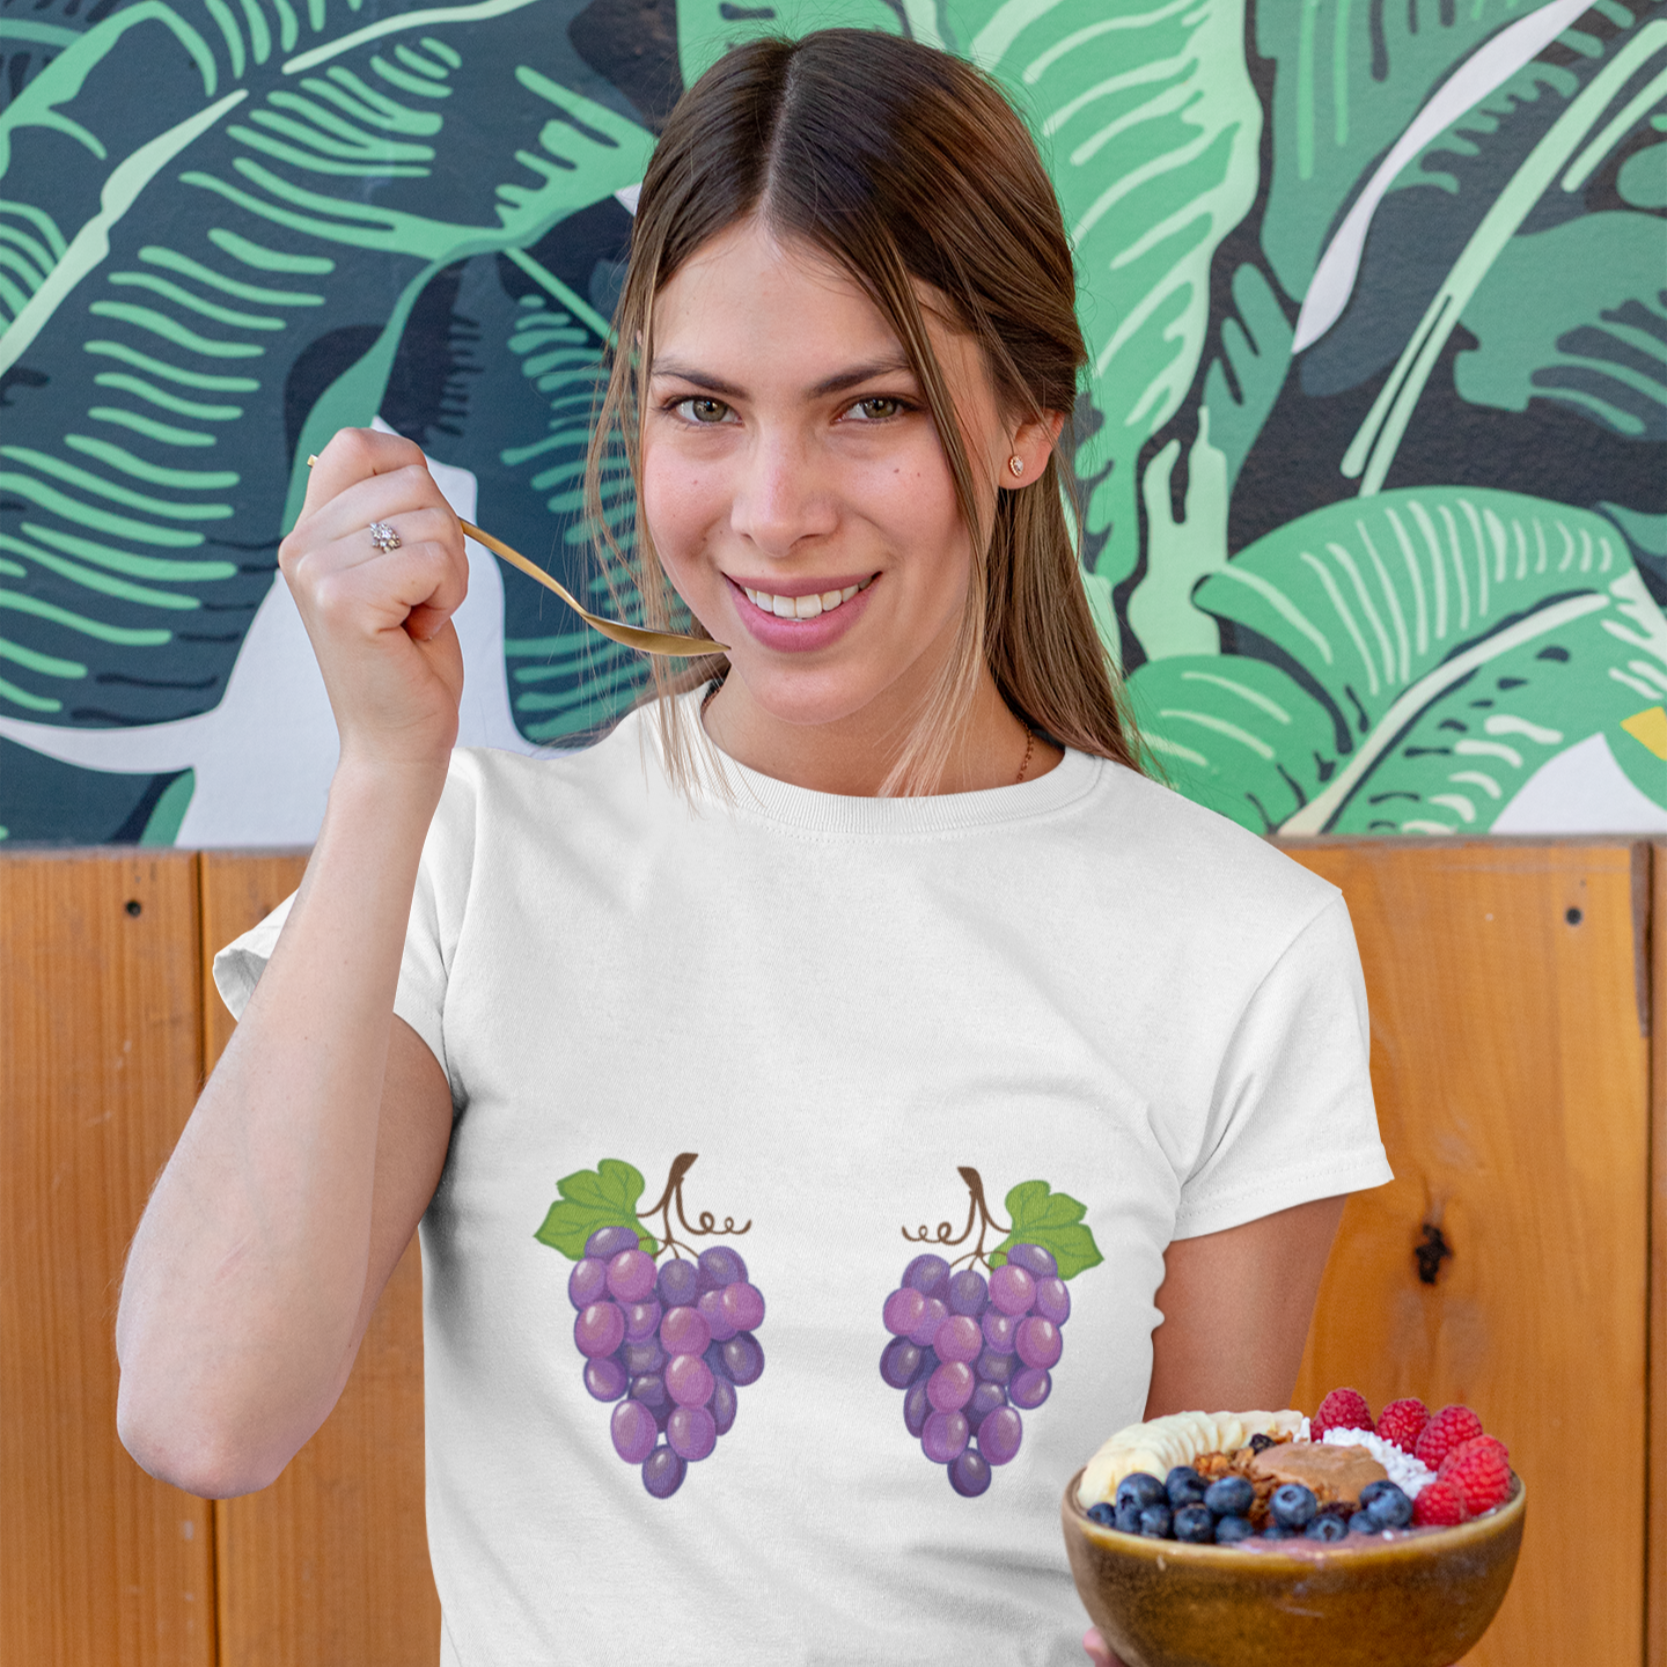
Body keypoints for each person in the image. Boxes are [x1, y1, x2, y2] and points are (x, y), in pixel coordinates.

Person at [115, 29, 1391, 1666]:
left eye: (866, 406)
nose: (771, 510)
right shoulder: (473, 862)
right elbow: (205, 1412)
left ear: (1025, 421)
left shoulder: (1242, 944)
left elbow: (1187, 1595)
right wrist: (386, 770)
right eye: (704, 406)